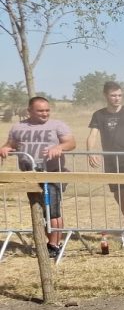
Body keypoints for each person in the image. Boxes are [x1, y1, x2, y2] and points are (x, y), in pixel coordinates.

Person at [0, 96, 76, 258]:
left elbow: (71, 143)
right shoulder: (18, 127)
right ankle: (47, 243)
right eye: (40, 111)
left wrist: (59, 147)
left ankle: (55, 245)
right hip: (29, 177)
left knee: (53, 211)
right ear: (29, 111)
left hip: (53, 174)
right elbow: (10, 144)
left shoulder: (57, 125)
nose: (45, 113)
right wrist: (5, 149)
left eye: (47, 110)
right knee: (39, 211)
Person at [86, 81, 124, 249]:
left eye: (119, 95)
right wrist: (91, 151)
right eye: (113, 95)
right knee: (118, 196)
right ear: (106, 96)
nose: (117, 98)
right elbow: (92, 136)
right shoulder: (99, 115)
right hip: (111, 161)